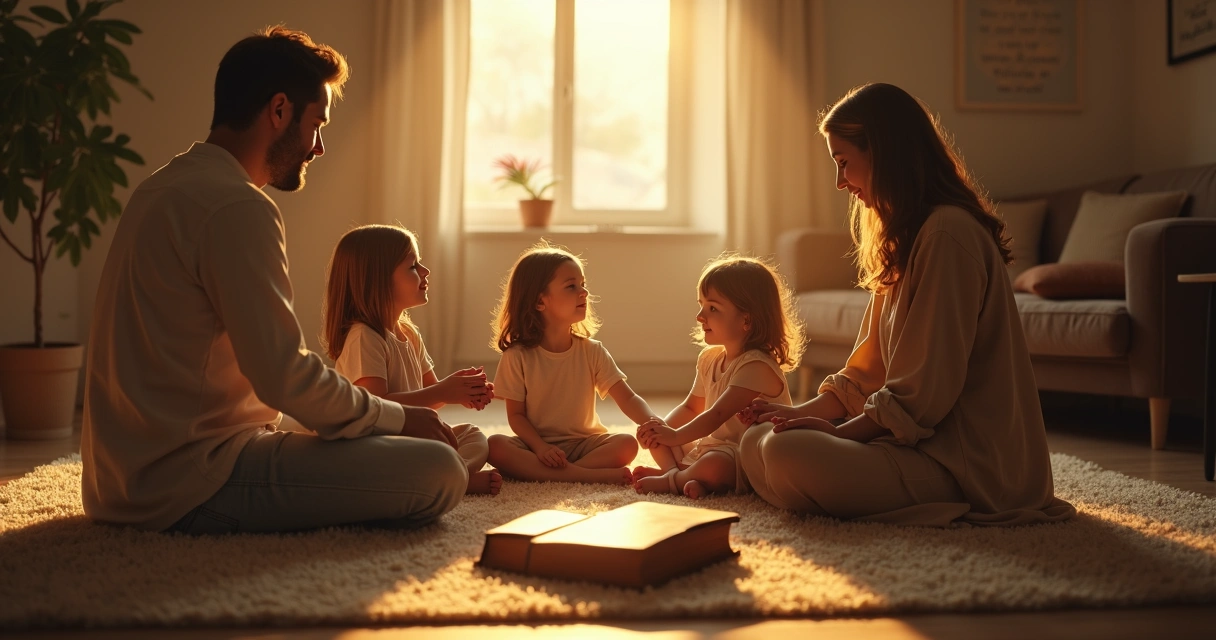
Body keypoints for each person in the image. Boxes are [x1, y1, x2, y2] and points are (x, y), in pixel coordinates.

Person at [81, 27, 467, 534]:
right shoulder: (238, 205)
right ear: (279, 110)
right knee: (439, 471)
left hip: (121, 479)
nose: (320, 147)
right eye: (317, 125)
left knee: (369, 431)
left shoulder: (162, 187)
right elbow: (283, 376)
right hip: (193, 479)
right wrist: (396, 417)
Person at [737, 83, 1075, 526]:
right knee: (756, 440)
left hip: (967, 466)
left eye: (843, 163)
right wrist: (796, 414)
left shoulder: (948, 235)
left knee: (784, 452)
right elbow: (864, 373)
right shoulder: (909, 238)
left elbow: (921, 395)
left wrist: (838, 434)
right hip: (915, 445)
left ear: (883, 154)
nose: (840, 183)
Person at [322, 224, 503, 495]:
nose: (425, 271)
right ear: (378, 279)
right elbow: (375, 407)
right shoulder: (365, 336)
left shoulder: (408, 332)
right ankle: (451, 478)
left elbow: (431, 397)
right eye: (413, 266)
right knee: (419, 456)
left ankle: (455, 475)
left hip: (410, 438)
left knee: (472, 435)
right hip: (377, 446)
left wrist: (458, 392)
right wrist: (443, 390)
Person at [486, 242, 661, 484]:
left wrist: (651, 421)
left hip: (585, 444)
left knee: (626, 444)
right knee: (495, 445)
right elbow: (516, 416)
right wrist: (540, 448)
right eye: (571, 286)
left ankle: (556, 475)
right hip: (536, 445)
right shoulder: (517, 356)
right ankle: (582, 475)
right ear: (539, 302)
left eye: (583, 285)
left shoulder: (592, 351)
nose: (584, 292)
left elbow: (627, 397)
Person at [633, 255, 802, 499]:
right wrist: (662, 429)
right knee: (663, 438)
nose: (700, 316)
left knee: (713, 466)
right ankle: (680, 475)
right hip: (712, 447)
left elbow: (717, 415)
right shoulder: (709, 358)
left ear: (746, 319)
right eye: (700, 305)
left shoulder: (757, 365)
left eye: (712, 308)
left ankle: (675, 479)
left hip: (745, 456)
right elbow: (692, 407)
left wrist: (675, 436)